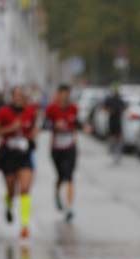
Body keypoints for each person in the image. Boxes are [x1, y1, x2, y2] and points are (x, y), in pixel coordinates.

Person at [0, 86, 39, 239]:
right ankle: (8, 205)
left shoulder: (30, 111)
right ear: (12, 97)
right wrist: (11, 128)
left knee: (25, 188)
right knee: (11, 189)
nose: (18, 98)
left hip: (25, 154)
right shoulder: (3, 112)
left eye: (21, 95)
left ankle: (25, 225)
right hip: (8, 154)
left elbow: (34, 129)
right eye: (16, 96)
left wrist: (33, 134)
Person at [44, 83, 80, 222]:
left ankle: (69, 207)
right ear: (58, 94)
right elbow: (45, 125)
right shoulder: (52, 109)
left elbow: (77, 123)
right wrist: (55, 125)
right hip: (56, 148)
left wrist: (84, 127)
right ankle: (57, 194)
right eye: (62, 93)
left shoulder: (73, 108)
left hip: (70, 146)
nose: (64, 96)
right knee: (60, 176)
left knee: (70, 176)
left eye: (67, 94)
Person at [102, 83, 126, 163]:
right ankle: (112, 150)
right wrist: (109, 110)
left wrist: (120, 111)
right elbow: (104, 107)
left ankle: (118, 153)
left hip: (118, 121)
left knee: (119, 137)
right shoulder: (109, 99)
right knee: (112, 137)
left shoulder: (120, 100)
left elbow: (124, 108)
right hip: (111, 121)